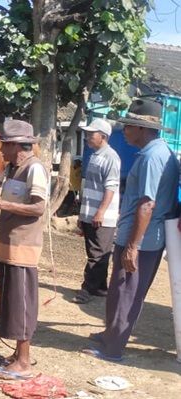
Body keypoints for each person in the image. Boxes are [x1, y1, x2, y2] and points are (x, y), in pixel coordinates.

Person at [83, 99, 179, 362]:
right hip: (138, 237)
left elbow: (147, 204)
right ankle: (110, 334)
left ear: (141, 129)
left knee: (128, 292)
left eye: (127, 126)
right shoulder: (158, 152)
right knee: (119, 289)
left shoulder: (152, 157)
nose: (123, 131)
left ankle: (113, 349)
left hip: (142, 240)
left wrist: (133, 246)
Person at [0, 120, 49, 380]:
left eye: (4, 144)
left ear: (17, 146)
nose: (1, 149)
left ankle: (24, 362)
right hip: (8, 244)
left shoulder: (34, 168)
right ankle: (17, 354)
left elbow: (38, 208)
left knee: (21, 303)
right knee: (11, 300)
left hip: (23, 246)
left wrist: (1, 204)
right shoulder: (12, 168)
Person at [73, 119, 120, 304]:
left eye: (91, 134)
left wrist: (100, 212)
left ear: (103, 136)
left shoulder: (111, 157)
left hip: (102, 216)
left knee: (98, 254)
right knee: (95, 251)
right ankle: (100, 287)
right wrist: (82, 214)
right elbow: (89, 187)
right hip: (89, 213)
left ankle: (87, 289)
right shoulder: (94, 155)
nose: (87, 137)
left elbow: (111, 188)